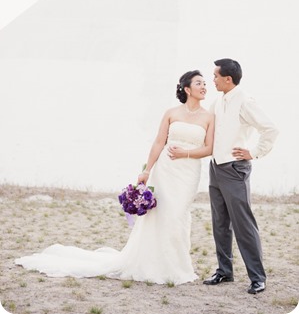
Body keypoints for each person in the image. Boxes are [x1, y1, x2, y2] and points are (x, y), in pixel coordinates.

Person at [15, 70, 214, 285]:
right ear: (187, 89)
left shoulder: (209, 117)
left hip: (188, 172)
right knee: (160, 216)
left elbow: (209, 148)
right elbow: (158, 142)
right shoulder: (171, 112)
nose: (204, 86)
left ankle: (179, 266)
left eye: (204, 83)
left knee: (178, 216)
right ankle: (155, 264)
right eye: (199, 83)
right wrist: (147, 170)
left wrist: (184, 153)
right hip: (165, 170)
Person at [203, 58, 279, 295]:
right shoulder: (218, 101)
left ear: (228, 79)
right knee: (220, 223)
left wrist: (254, 152)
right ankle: (224, 271)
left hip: (235, 168)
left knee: (243, 223)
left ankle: (257, 277)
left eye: (215, 76)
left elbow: (270, 128)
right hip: (216, 167)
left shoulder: (245, 101)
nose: (212, 79)